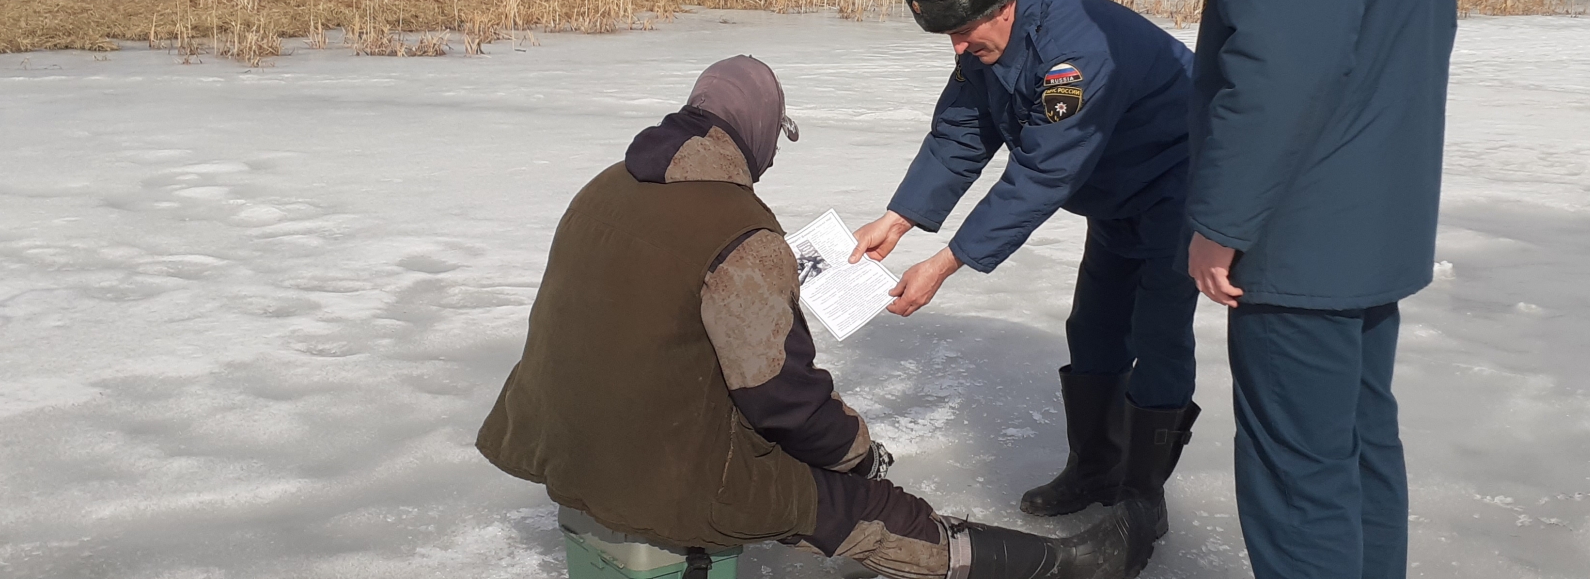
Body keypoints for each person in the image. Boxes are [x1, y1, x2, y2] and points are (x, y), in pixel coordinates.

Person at [476, 56, 1138, 579]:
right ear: (757, 129)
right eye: (776, 137)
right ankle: (1066, 567)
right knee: (864, 507)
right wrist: (857, 457)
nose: (775, 153)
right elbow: (781, 398)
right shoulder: (739, 232)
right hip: (664, 476)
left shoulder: (605, 186)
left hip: (567, 444)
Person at [1185, 0, 1468, 577]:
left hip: (1301, 226)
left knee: (1296, 474)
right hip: (1380, 209)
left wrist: (1222, 220)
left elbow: (1279, 61)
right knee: (1358, 446)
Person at [849, 0, 1200, 568]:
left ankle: (1143, 504)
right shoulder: (987, 39)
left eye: (963, 32)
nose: (958, 49)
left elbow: (1041, 174)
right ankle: (1094, 471)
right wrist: (897, 221)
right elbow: (962, 130)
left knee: (1160, 333)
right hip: (1115, 193)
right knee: (1093, 326)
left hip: (1179, 185)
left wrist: (947, 262)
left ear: (1003, 6)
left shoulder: (1074, 54)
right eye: (948, 36)